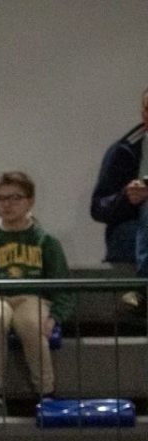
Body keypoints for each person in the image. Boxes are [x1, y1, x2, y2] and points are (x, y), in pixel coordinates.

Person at [0, 171, 70, 418]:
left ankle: (46, 392)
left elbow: (63, 286)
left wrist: (56, 316)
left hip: (32, 296)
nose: (7, 204)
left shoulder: (45, 241)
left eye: (15, 198)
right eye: (1, 199)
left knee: (32, 323)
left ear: (30, 201)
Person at [87, 86, 147, 309]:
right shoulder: (124, 150)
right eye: (147, 110)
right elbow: (98, 208)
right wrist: (126, 197)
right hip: (132, 231)